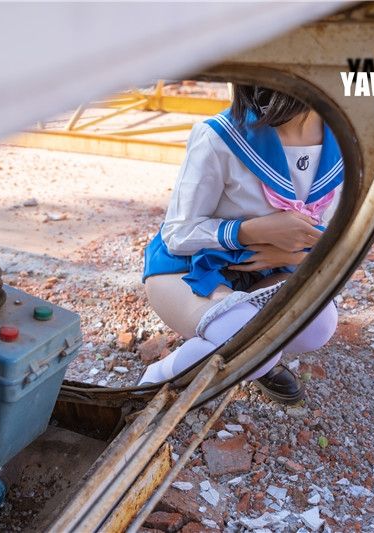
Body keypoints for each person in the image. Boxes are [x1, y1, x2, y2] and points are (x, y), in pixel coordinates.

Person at [139, 85, 341, 404]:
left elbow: (346, 236)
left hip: (271, 270)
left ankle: (254, 359)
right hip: (191, 270)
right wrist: (250, 231)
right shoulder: (219, 136)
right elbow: (177, 233)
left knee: (318, 324)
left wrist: (295, 255)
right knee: (244, 338)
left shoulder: (348, 141)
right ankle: (159, 377)